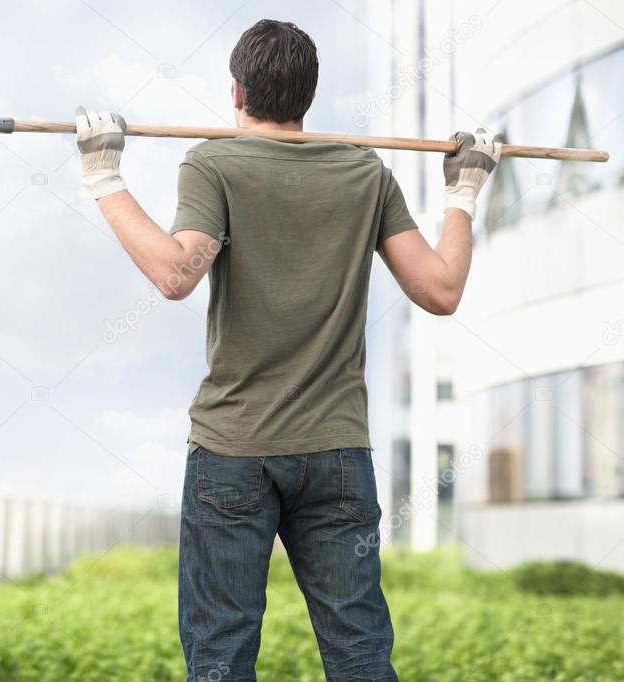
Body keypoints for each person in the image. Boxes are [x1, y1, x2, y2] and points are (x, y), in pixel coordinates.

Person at [75, 18, 501, 682]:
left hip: (232, 453)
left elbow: (174, 275)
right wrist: (463, 191)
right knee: (358, 649)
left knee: (220, 651)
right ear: (307, 93)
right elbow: (441, 290)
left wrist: (104, 178)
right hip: (335, 455)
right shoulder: (365, 172)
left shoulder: (213, 163)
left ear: (236, 91)